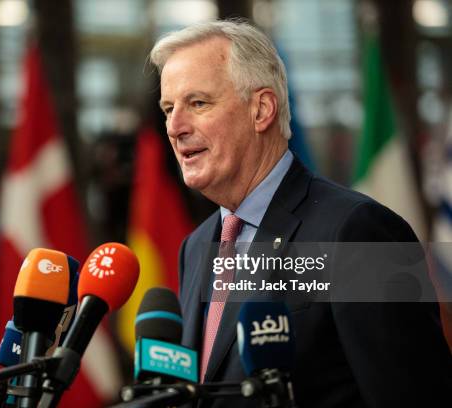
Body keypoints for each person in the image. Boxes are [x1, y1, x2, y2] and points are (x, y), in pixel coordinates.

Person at [150, 19, 451, 407]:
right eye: (168, 108)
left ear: (261, 110)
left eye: (197, 103)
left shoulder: (356, 231)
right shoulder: (196, 246)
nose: (174, 127)